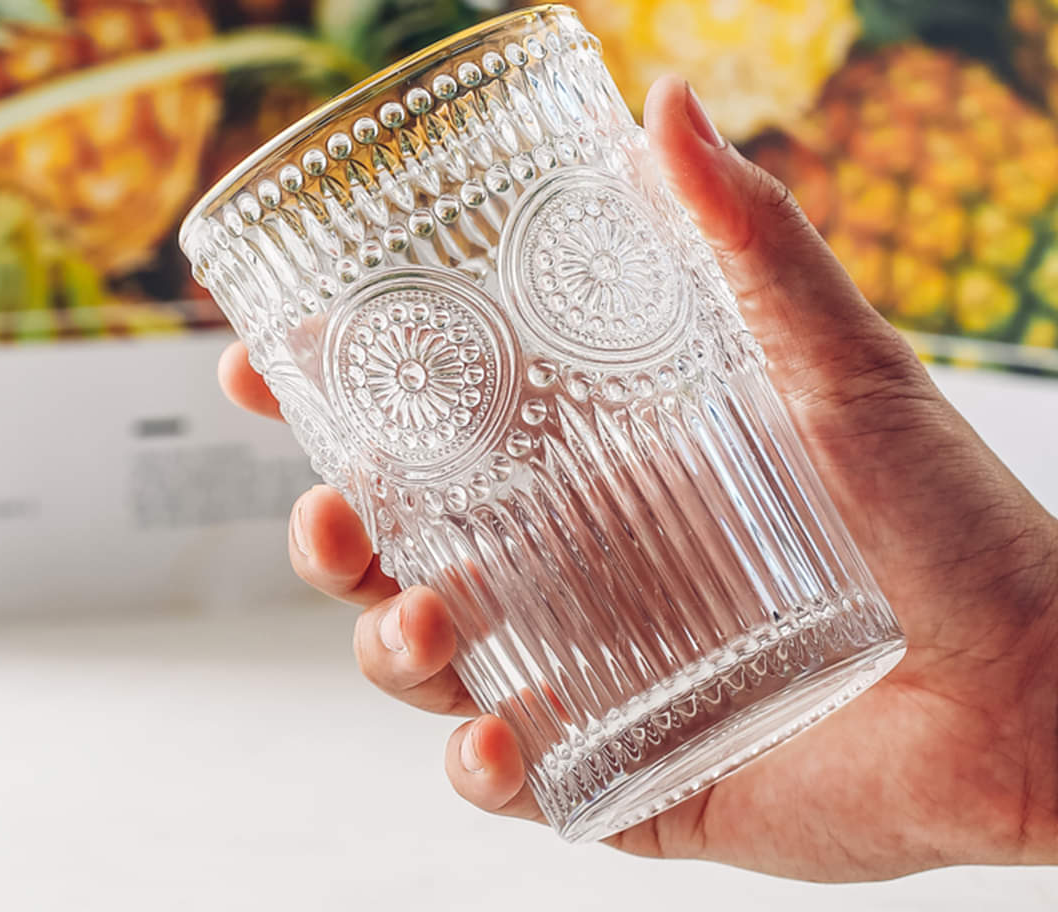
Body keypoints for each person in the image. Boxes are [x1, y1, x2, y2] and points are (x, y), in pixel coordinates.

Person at [217, 76, 1058, 881]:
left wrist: (1026, 673)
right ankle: (587, 731)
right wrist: (1020, 723)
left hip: (831, 627)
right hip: (609, 739)